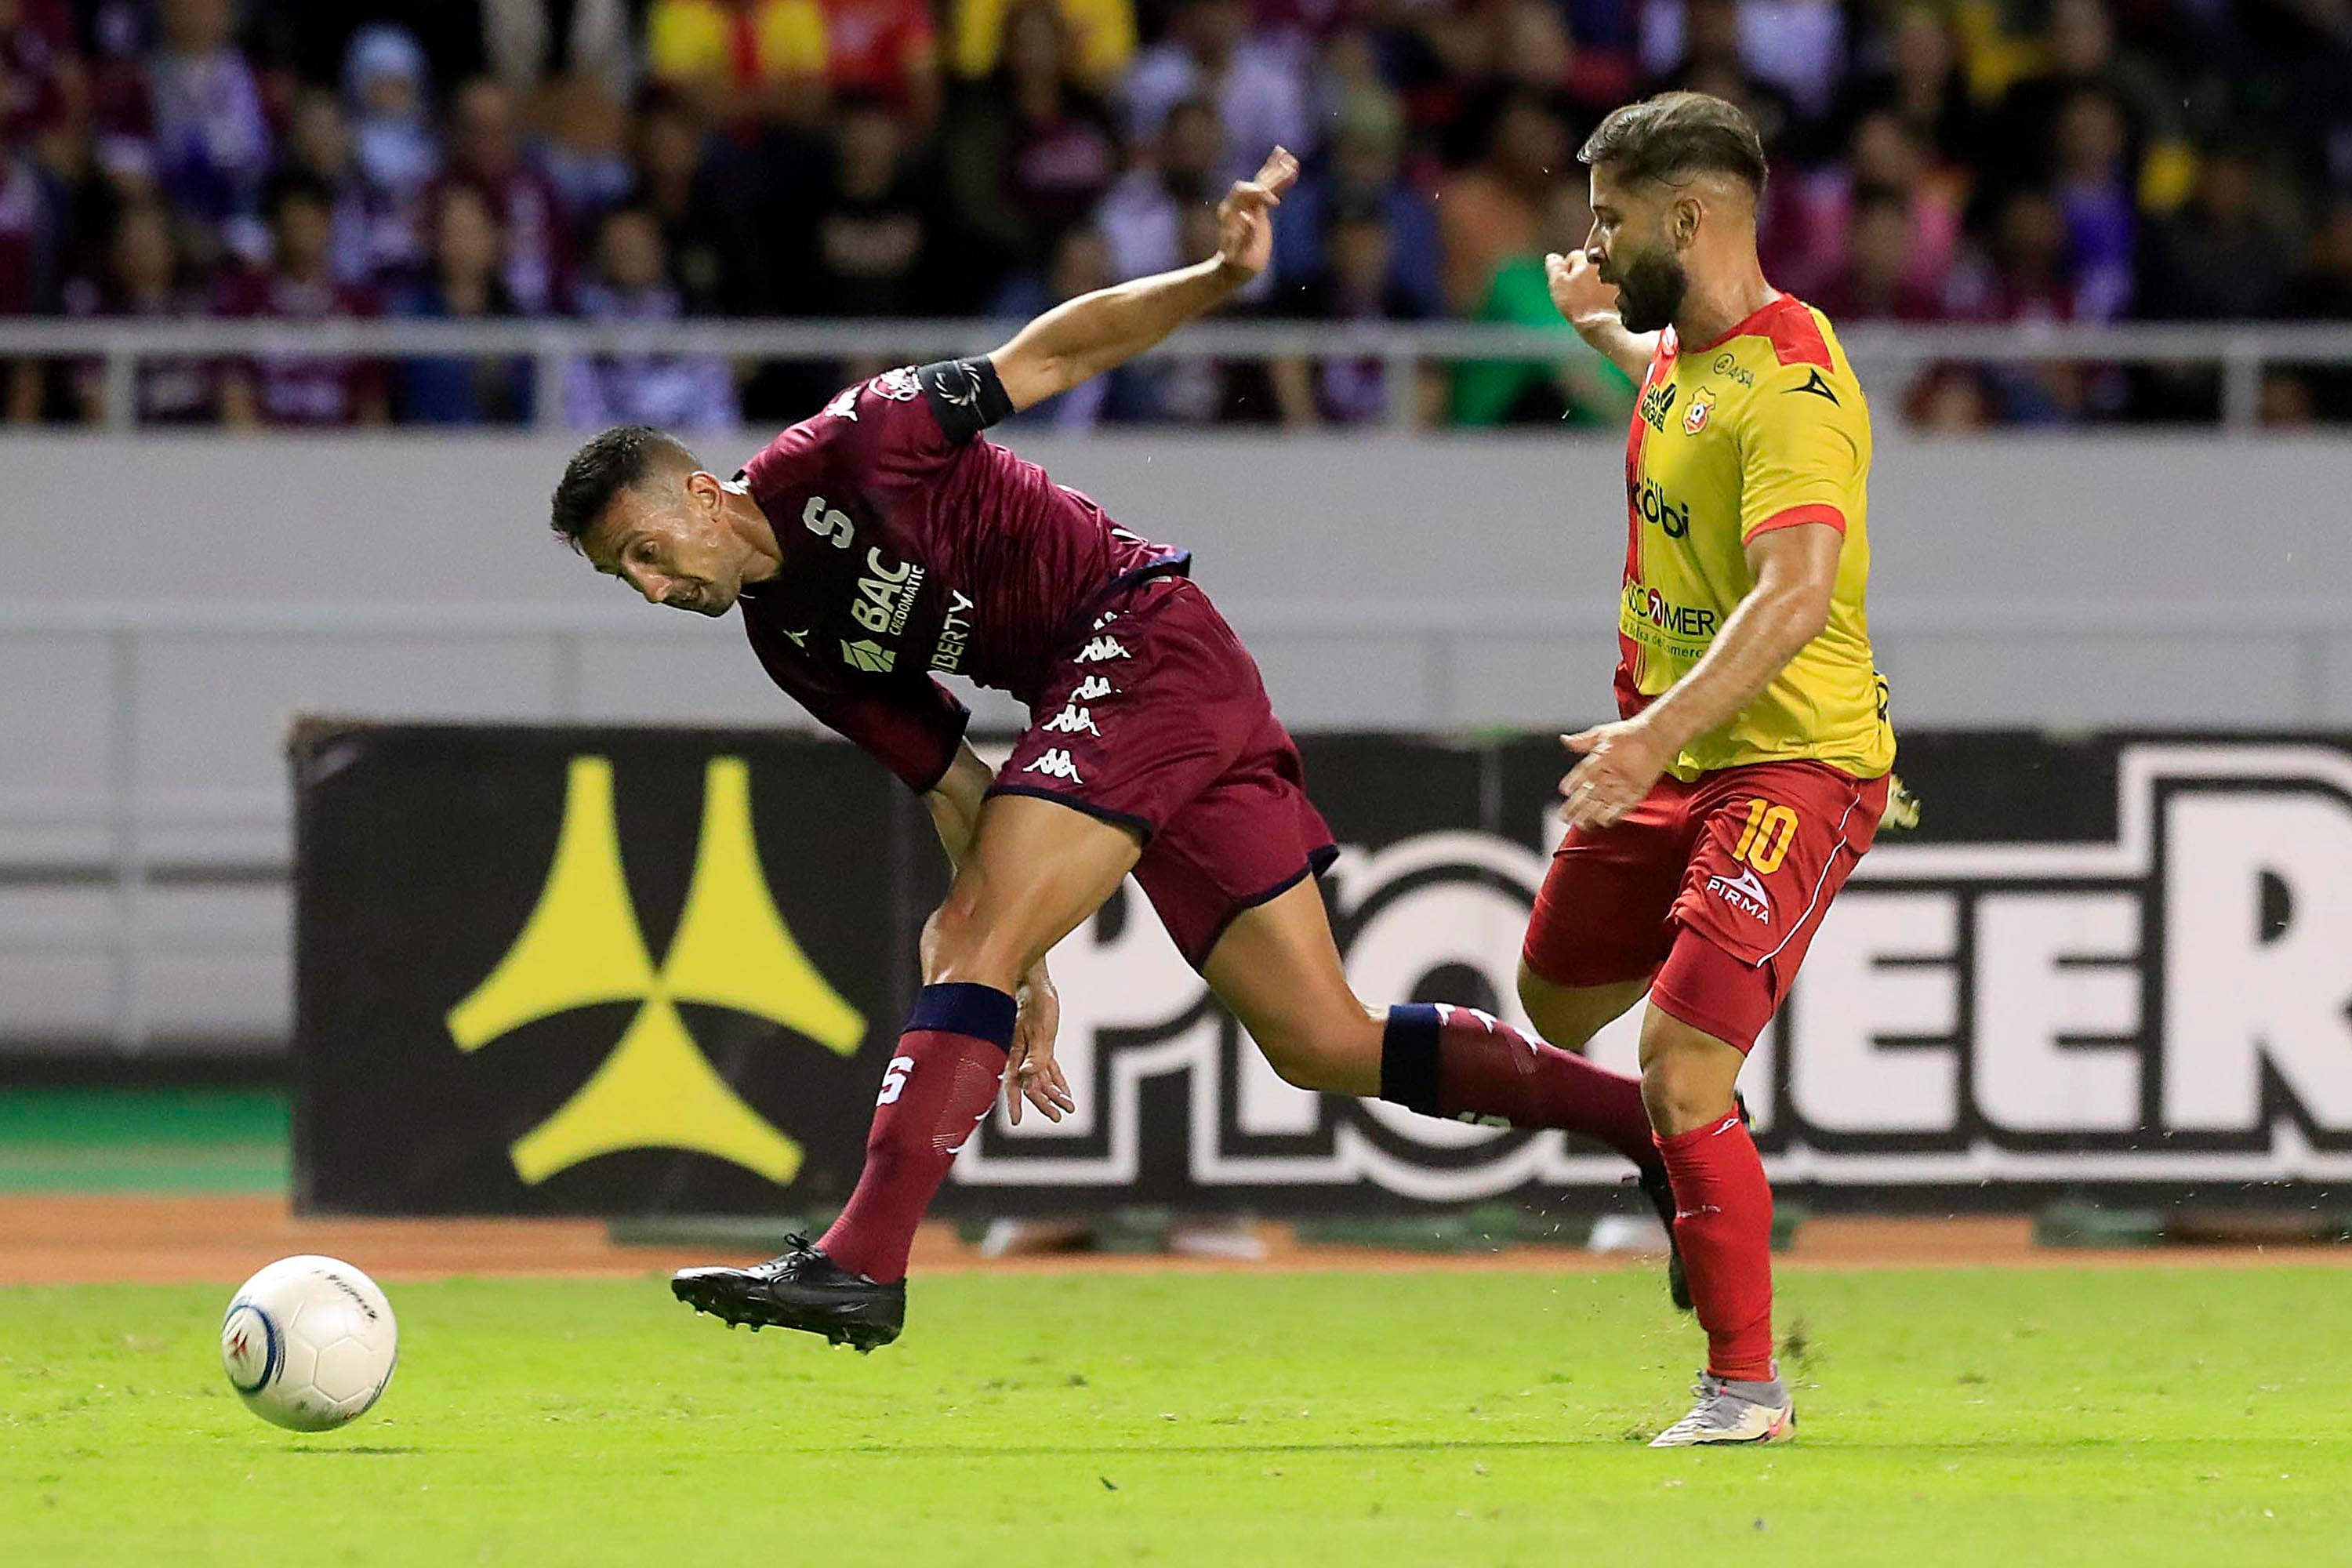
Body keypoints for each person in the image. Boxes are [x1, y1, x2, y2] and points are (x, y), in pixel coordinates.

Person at [546, 147, 1668, 1352]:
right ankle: (1653, 1126)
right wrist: (1016, 961)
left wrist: (1214, 278)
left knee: (965, 933)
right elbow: (952, 778)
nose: (654, 588)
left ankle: (861, 1261)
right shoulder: (792, 638)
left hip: (1136, 638)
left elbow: (1055, 353)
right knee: (1320, 1041)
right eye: (629, 580)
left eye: (649, 551)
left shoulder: (855, 442)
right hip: (1153, 700)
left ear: (705, 495)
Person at [1533, 92, 1903, 1446]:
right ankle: (1693, 1163)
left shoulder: (1796, 387)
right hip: (1677, 759)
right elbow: (1664, 365)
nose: (1591, 234)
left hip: (1792, 762)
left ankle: (1744, 1387)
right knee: (1555, 1003)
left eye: (1611, 217)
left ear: (1686, 220)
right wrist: (1595, 320)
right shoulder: (1685, 353)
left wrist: (1655, 733)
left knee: (1679, 1060)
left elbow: (1796, 594)